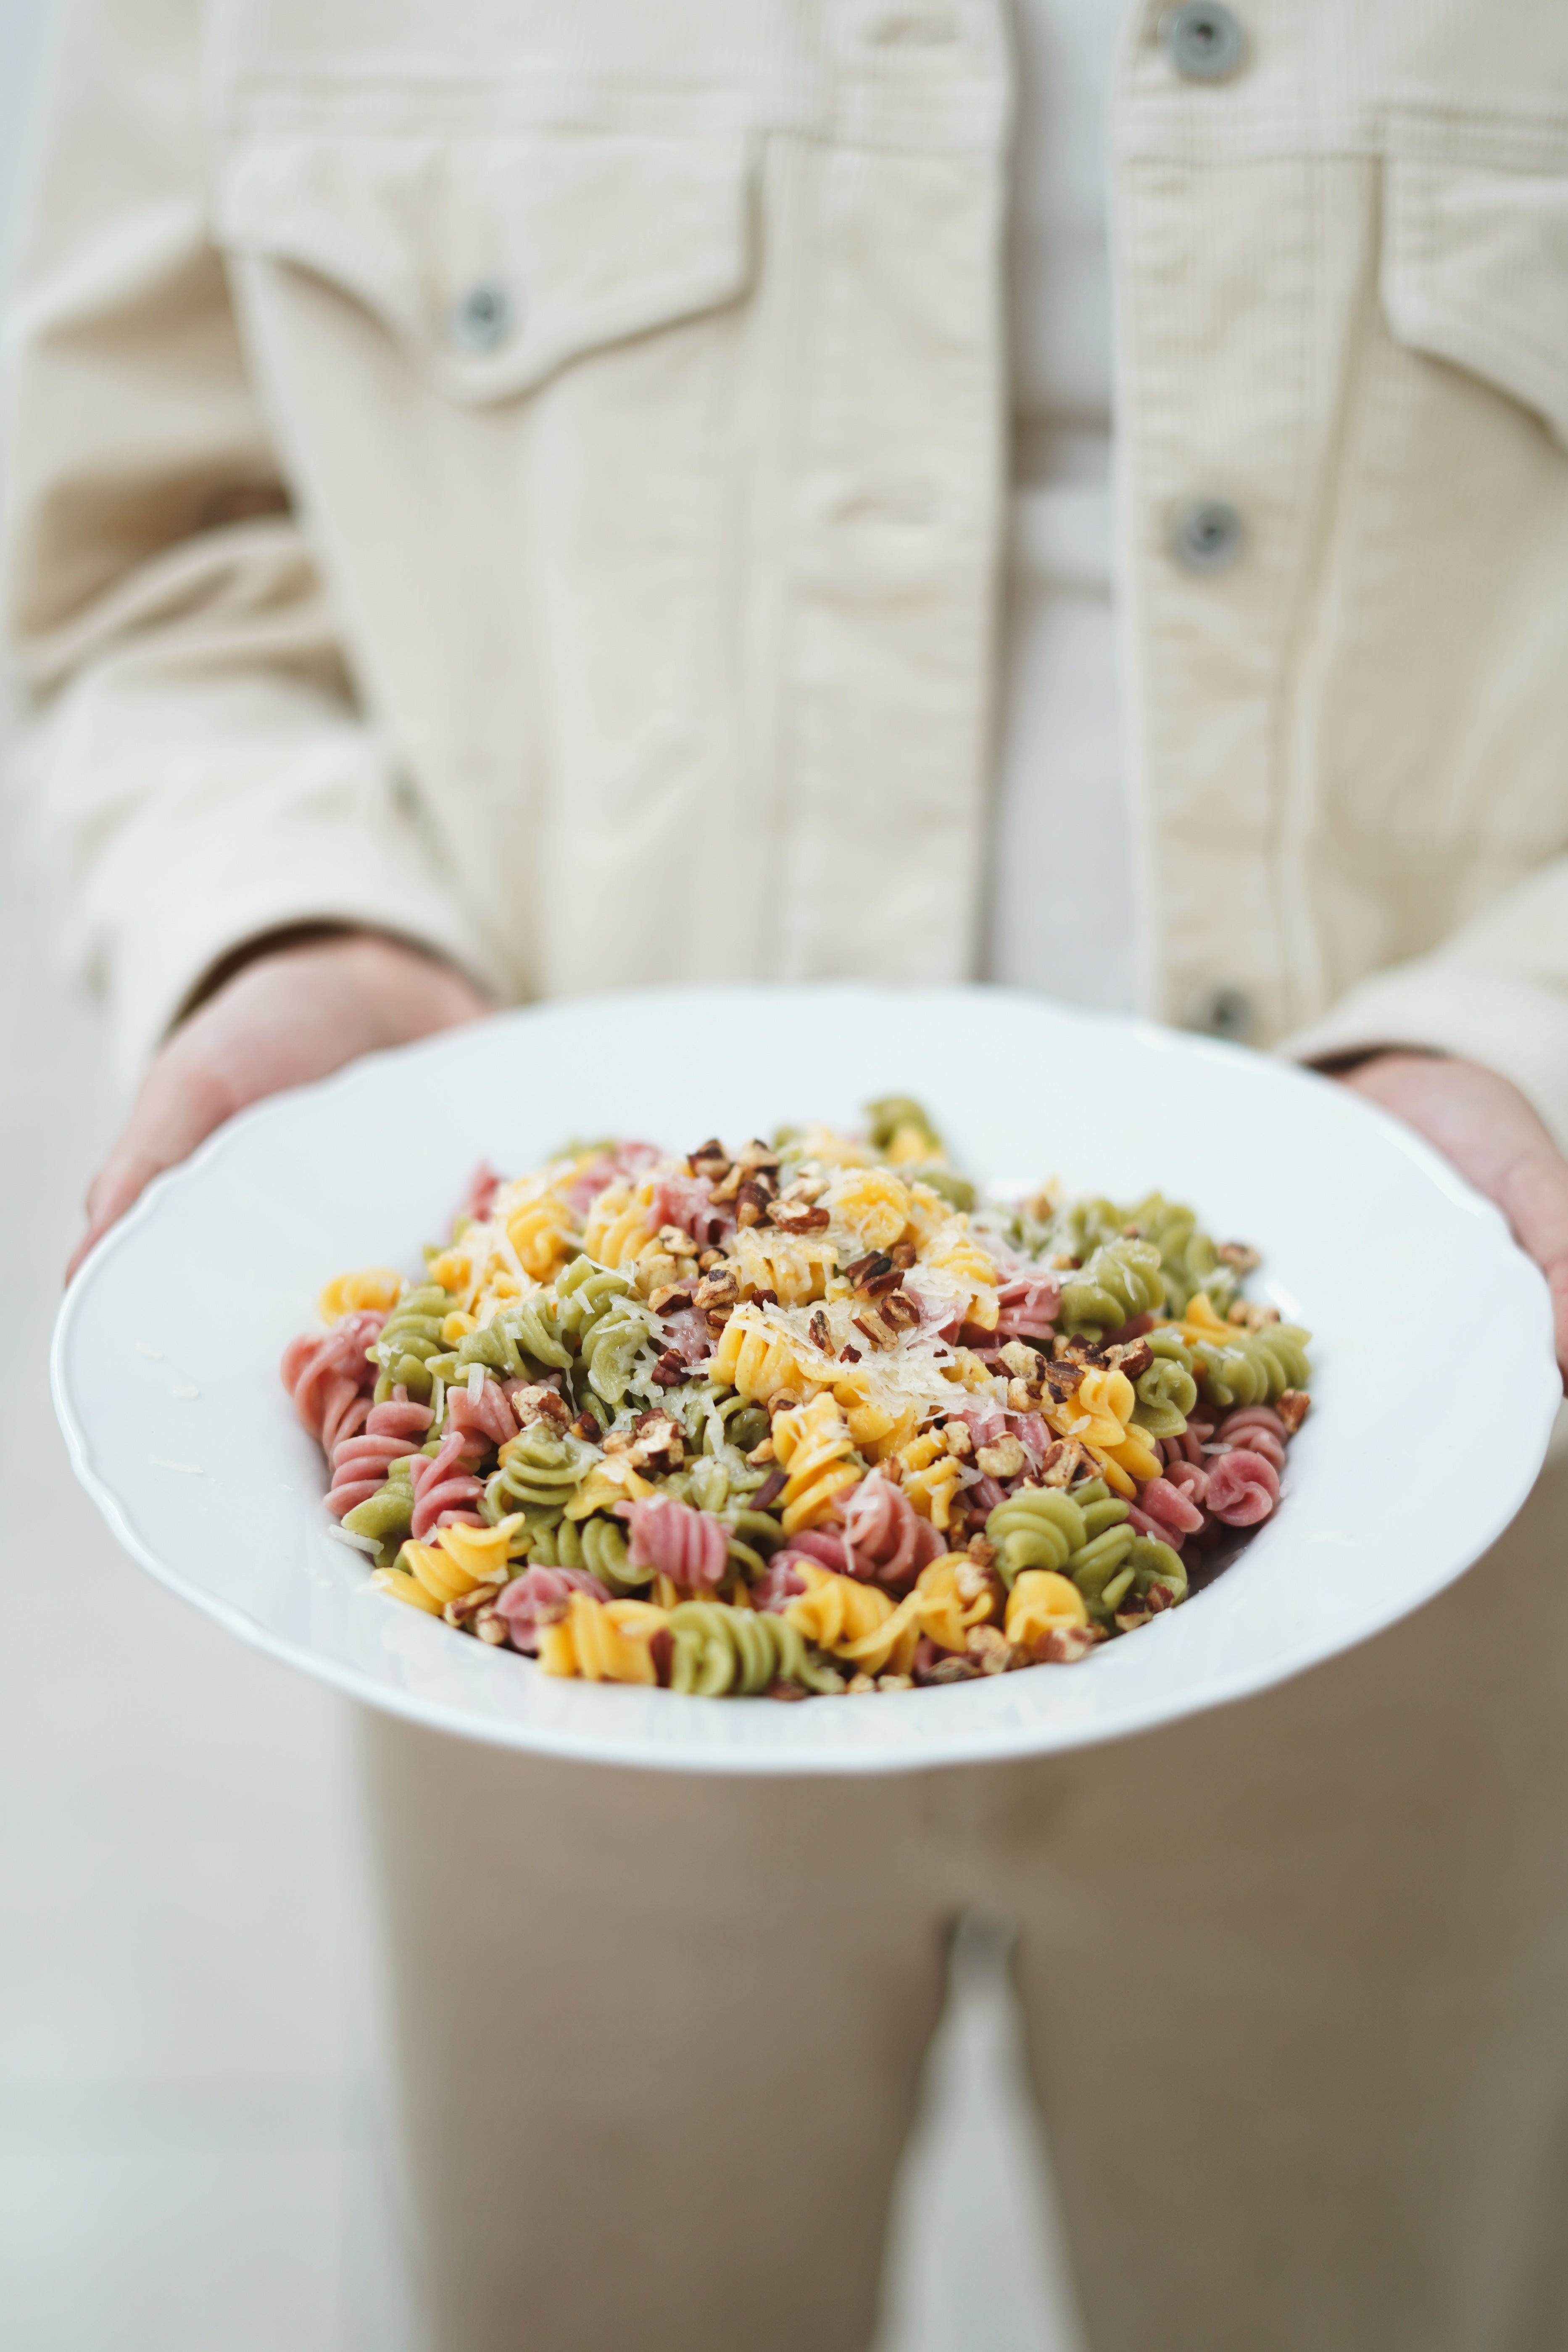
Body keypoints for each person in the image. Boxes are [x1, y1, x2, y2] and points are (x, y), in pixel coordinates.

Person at [7, 3, 1568, 2348]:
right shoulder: (566, 1508)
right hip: (555, 1595)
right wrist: (304, 921)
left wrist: (1517, 1047)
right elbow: (159, 549)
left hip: (1430, 1474)